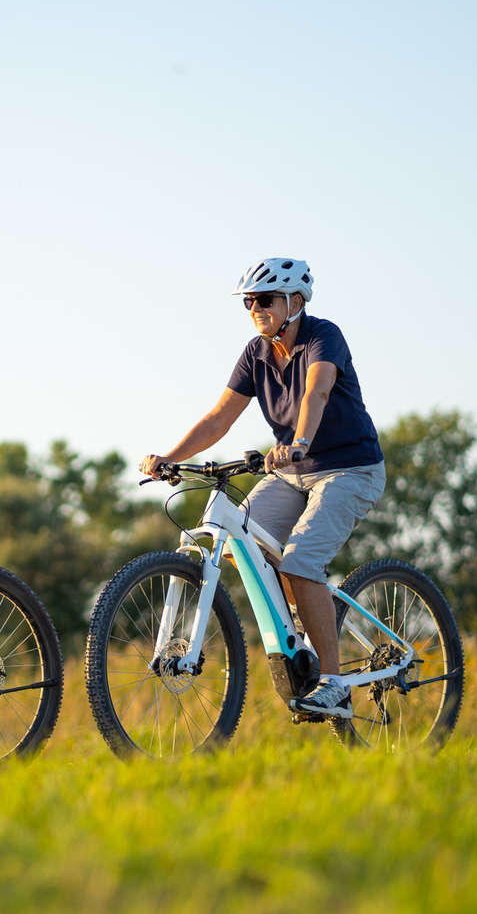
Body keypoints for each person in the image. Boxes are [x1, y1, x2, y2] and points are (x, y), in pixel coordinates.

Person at [139, 258, 385, 718]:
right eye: (249, 301)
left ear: (295, 302)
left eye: (265, 300)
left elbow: (316, 393)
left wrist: (299, 443)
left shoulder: (322, 336)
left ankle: (333, 683)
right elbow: (218, 418)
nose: (255, 308)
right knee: (236, 546)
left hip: (349, 469)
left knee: (301, 560)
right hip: (291, 473)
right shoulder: (256, 353)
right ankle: (305, 622)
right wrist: (172, 458)